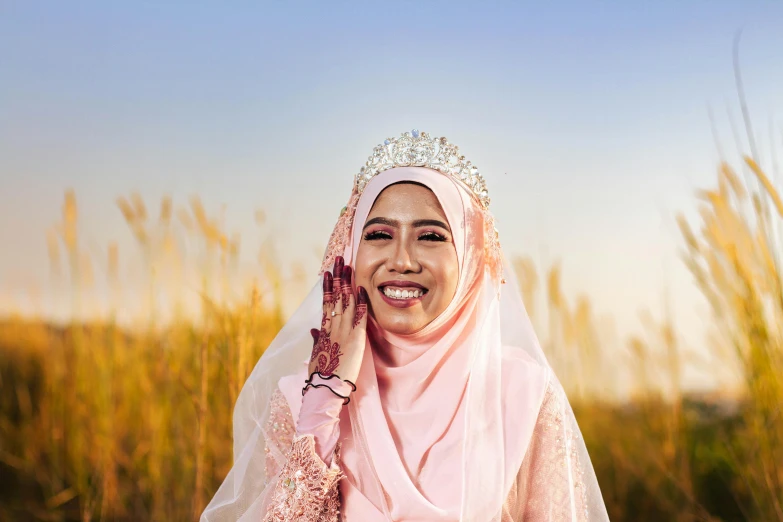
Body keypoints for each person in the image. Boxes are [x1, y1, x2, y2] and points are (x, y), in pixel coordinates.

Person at [201, 130, 610, 521]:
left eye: (430, 236)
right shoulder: (300, 401)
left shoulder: (523, 394)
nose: (402, 260)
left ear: (470, 258)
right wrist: (325, 397)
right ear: (350, 252)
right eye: (379, 234)